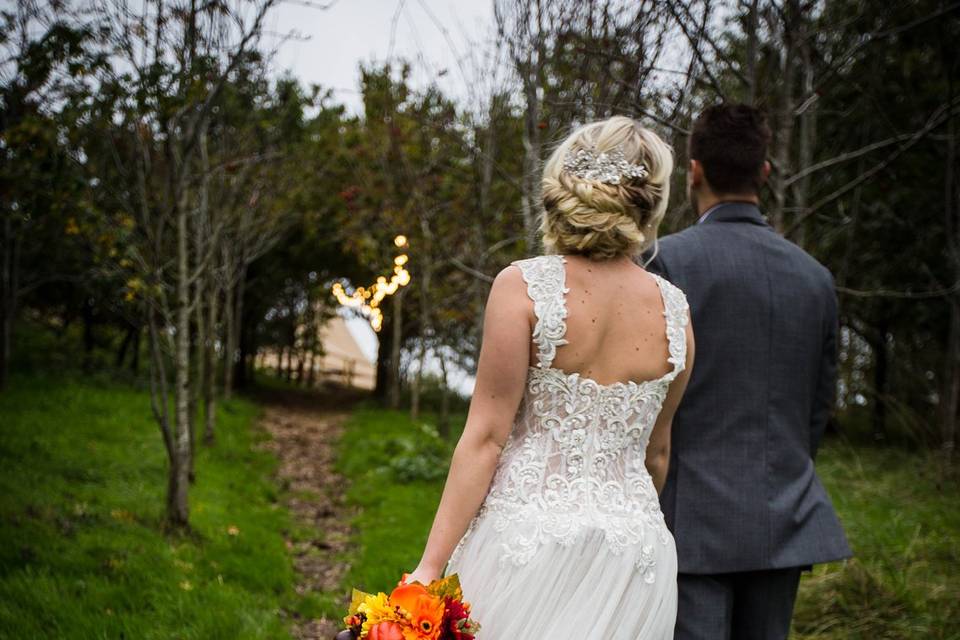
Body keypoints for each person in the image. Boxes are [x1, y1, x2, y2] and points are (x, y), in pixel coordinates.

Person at [404, 116, 694, 638]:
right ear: (649, 203)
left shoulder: (523, 287)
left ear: (562, 189)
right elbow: (656, 456)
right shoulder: (676, 313)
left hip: (526, 539)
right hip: (633, 554)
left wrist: (429, 568)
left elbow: (486, 439)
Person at [646, 104, 852, 640]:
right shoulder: (816, 279)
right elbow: (816, 408)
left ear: (693, 170)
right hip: (782, 516)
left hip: (688, 522)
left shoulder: (666, 263)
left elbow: (646, 396)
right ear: (764, 171)